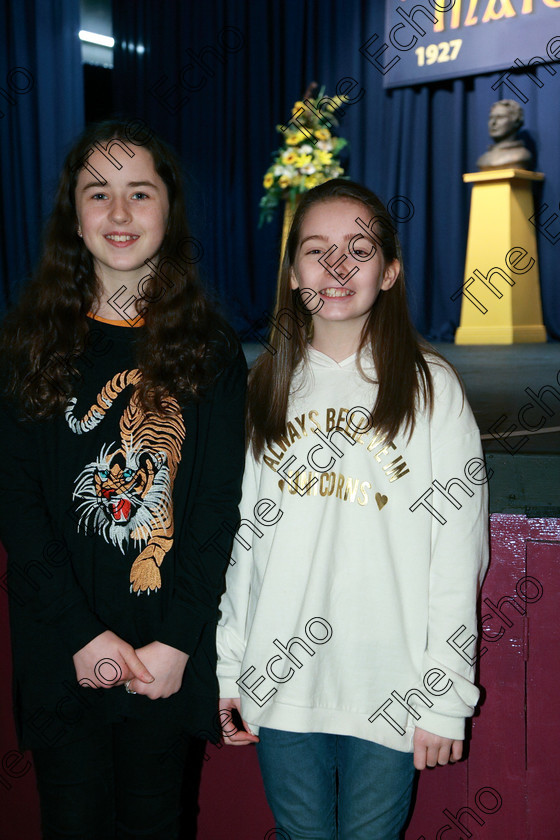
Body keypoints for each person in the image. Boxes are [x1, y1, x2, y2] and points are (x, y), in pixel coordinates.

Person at [216, 180, 489, 840]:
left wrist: (445, 696)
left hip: (390, 687)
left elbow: (458, 557)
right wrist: (232, 666)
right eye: (317, 250)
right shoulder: (264, 386)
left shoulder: (432, 389)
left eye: (358, 250)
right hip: (281, 682)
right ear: (292, 272)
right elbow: (244, 542)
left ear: (390, 270)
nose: (336, 269)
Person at [0, 120, 246, 839]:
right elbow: (19, 508)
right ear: (73, 218)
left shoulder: (209, 348)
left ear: (167, 210)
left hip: (163, 658)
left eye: (139, 193)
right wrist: (81, 635)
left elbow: (214, 509)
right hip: (62, 652)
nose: (118, 214)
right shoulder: (27, 346)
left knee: (156, 823)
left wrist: (176, 643)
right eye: (97, 194)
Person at [476, 99, 532, 170]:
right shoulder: (483, 159)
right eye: (491, 118)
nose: (493, 123)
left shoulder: (521, 155)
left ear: (516, 121)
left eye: (500, 117)